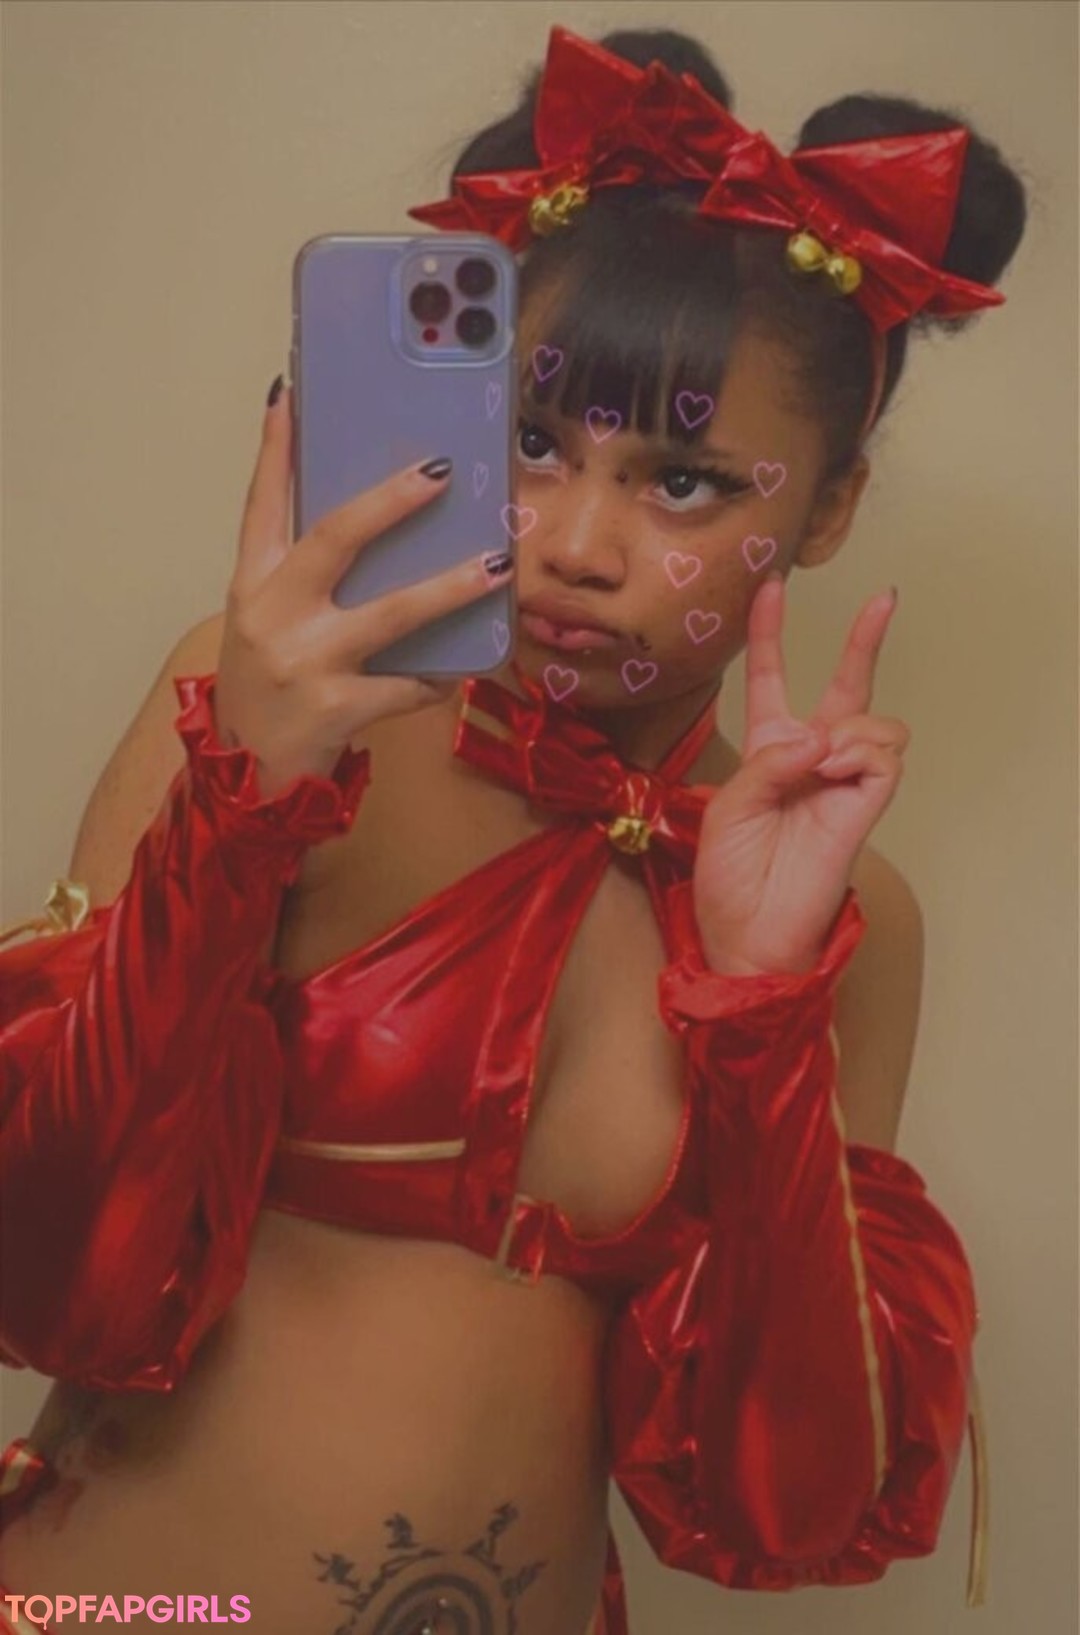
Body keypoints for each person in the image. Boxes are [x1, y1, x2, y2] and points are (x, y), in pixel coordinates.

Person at [0, 23, 1026, 1635]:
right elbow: (42, 1273)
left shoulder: (848, 912)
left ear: (826, 508)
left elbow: (789, 1507)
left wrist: (761, 1015)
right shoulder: (275, 720)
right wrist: (236, 811)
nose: (575, 544)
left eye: (686, 482)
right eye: (532, 446)